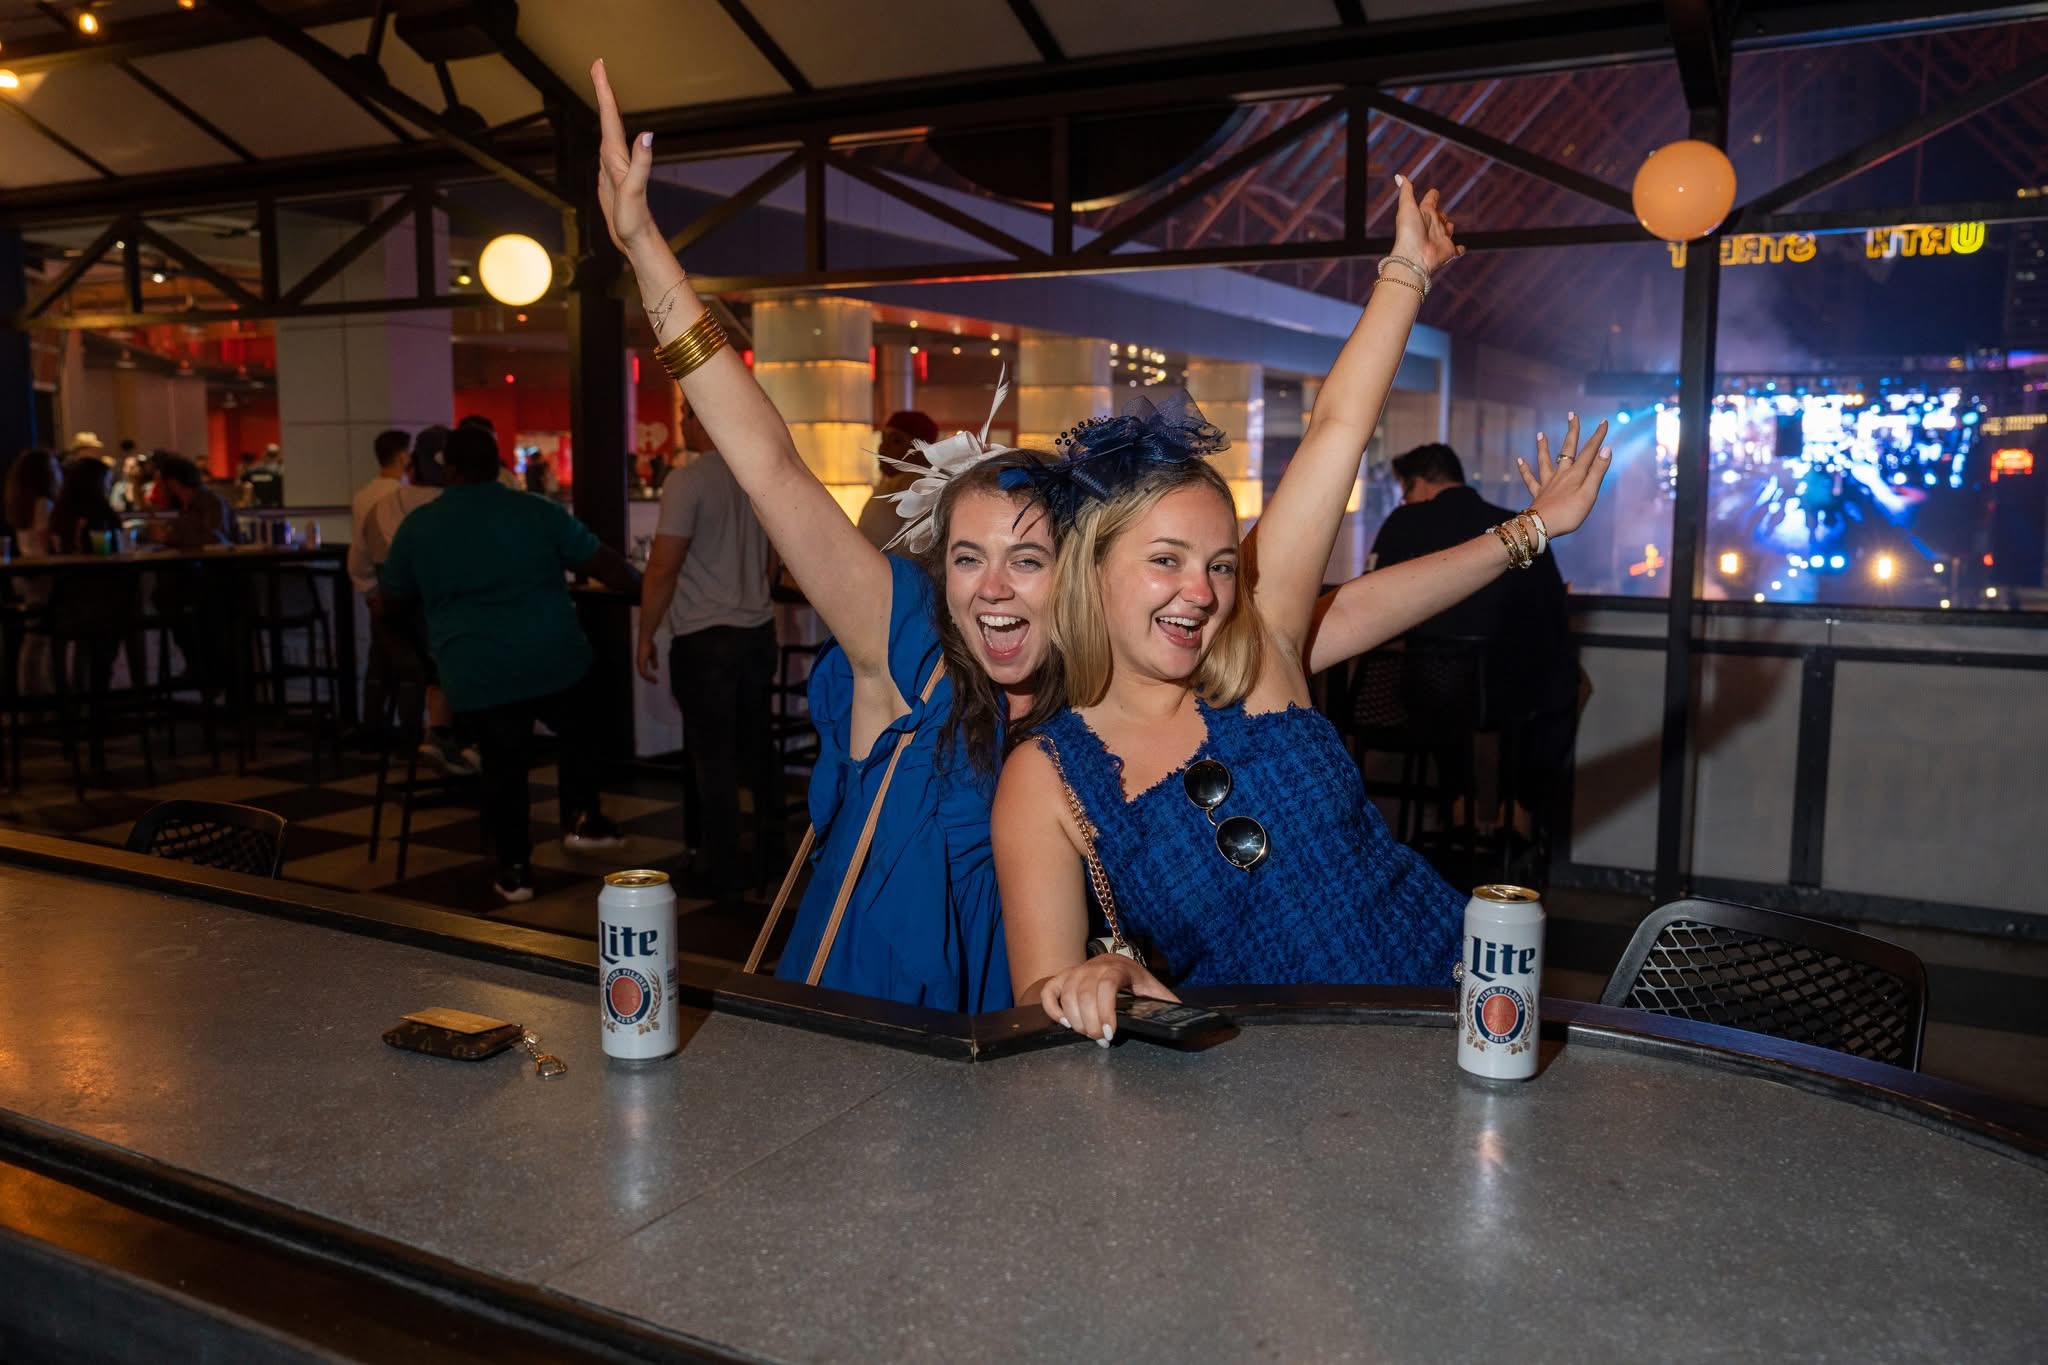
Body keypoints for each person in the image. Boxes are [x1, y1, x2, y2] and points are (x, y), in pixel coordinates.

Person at [995, 178, 1613, 1046]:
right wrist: (1101, 980)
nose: (1202, 590)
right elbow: (1038, 997)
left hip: (1451, 1013)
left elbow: (1337, 430)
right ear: (1090, 574)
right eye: (1165, 560)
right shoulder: (1048, 776)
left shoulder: (1254, 656)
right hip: (1267, 1093)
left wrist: (1406, 271)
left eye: (1220, 564)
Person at [379, 424, 642, 904]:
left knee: (504, 763)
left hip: (474, 668)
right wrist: (651, 589)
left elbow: (390, 599)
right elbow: (602, 562)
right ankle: (582, 816)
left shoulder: (420, 525)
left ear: (448, 469)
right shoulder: (536, 511)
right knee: (583, 720)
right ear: (497, 465)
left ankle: (516, 869)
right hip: (553, 658)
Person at [1371, 442, 1579, 835]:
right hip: (1504, 695)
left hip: (1420, 697)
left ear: (1419, 483)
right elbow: (1551, 610)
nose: (1406, 501)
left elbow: (1370, 597)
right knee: (1560, 687)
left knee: (1439, 699)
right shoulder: (1514, 527)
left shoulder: (1405, 522)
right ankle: (1518, 809)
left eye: (1406, 491)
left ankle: (1456, 805)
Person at [635, 408, 778, 897]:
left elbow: (663, 565)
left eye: (685, 415)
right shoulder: (754, 476)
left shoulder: (687, 480)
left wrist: (645, 634)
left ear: (702, 421)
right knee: (757, 751)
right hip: (756, 631)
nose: (680, 424)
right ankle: (770, 859)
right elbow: (773, 559)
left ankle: (724, 871)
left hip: (706, 636)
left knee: (712, 758)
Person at [367, 425, 470, 772]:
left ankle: (429, 738)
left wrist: (377, 599)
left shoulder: (382, 507)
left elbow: (360, 567)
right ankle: (466, 743)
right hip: (444, 637)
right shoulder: (455, 510)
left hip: (400, 634)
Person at [5, 449, 63, 693]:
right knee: (40, 638)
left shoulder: (20, 504)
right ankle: (40, 691)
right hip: (43, 576)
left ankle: (29, 692)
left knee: (33, 638)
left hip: (25, 575)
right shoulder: (43, 504)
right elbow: (46, 542)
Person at [856, 410, 941, 551]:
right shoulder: (889, 486)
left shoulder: (924, 492)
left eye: (896, 441)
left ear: (920, 452)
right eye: (883, 438)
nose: (883, 447)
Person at [240, 443, 285, 509]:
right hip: (258, 501)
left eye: (273, 455)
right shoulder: (256, 468)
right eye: (269, 454)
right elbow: (243, 480)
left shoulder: (281, 469)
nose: (271, 457)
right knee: (247, 486)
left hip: (276, 501)